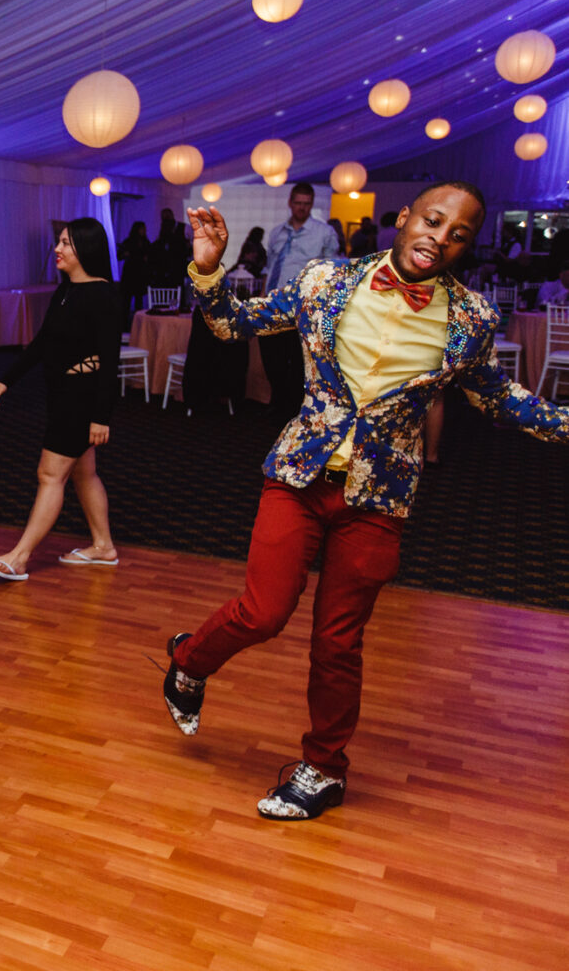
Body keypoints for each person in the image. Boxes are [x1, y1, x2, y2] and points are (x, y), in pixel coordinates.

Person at [163, 184, 569, 821]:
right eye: (433, 220)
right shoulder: (325, 279)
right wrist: (209, 269)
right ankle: (189, 662)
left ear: (467, 246)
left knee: (338, 642)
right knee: (265, 612)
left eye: (459, 233)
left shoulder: (471, 320)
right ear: (406, 219)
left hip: (378, 498)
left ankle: (323, 769)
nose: (441, 236)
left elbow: (500, 399)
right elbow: (230, 324)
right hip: (300, 476)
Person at [0, 218, 121, 579]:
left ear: (85, 249)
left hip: (81, 399)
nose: (57, 249)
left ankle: (19, 557)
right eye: (58, 242)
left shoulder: (102, 294)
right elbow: (43, 343)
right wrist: (7, 380)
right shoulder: (66, 290)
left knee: (49, 474)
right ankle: (103, 546)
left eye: (66, 244)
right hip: (62, 395)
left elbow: (110, 361)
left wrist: (101, 416)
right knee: (84, 474)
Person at [260, 182, 341, 413]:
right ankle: (278, 400)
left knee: (298, 359)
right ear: (290, 203)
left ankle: (293, 408)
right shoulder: (277, 232)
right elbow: (271, 266)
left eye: (307, 204)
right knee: (272, 355)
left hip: (304, 304)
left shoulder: (324, 232)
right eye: (298, 203)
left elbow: (332, 270)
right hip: (275, 303)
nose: (302, 208)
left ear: (312, 204)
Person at [116, 220, 150, 314]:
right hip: (130, 274)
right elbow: (119, 256)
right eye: (142, 229)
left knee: (138, 301)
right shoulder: (129, 242)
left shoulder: (145, 242)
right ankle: (125, 324)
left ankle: (136, 322)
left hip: (139, 274)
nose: (144, 231)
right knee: (126, 300)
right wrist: (125, 254)